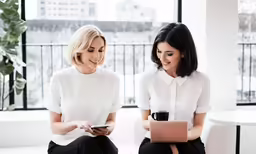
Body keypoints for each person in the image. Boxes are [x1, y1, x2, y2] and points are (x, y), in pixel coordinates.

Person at [45, 25, 120, 154]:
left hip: (96, 141)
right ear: (78, 50)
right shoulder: (60, 79)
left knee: (109, 148)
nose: (97, 56)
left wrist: (108, 129)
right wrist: (76, 124)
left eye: (101, 50)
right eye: (91, 50)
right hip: (63, 144)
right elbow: (55, 127)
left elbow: (111, 120)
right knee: (86, 143)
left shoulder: (112, 79)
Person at [137, 23, 210, 154]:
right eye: (159, 52)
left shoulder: (201, 81)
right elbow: (144, 121)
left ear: (183, 53)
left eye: (169, 54)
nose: (162, 59)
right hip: (155, 142)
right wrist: (156, 127)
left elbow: (199, 126)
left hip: (189, 140)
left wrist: (179, 139)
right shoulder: (147, 79)